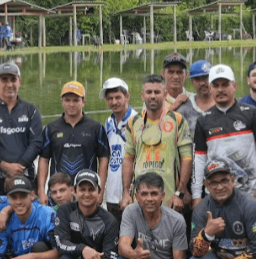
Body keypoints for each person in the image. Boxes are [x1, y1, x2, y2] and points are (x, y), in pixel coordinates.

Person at [190, 64, 256, 206]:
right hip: (216, 196)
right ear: (210, 88)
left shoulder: (252, 113)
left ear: (234, 86)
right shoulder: (203, 120)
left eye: (225, 84)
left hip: (251, 194)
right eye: (216, 85)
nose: (220, 89)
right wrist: (197, 195)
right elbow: (199, 161)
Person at [123, 74, 194, 213]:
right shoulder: (133, 122)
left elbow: (186, 158)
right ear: (142, 95)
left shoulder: (177, 120)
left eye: (157, 92)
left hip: (169, 197)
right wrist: (126, 192)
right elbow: (128, 158)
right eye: (149, 92)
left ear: (165, 94)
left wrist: (180, 192)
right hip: (141, 197)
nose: (153, 96)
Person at [37, 81, 109, 206]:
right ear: (62, 101)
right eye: (67, 100)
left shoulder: (96, 127)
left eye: (76, 100)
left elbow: (104, 159)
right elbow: (43, 159)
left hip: (86, 192)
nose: (71, 104)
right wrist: (41, 191)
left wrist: (100, 191)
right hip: (58, 194)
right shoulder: (51, 128)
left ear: (83, 101)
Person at [0, 62, 42, 195]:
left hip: (26, 177)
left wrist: (17, 169)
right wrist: (2, 165)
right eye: (4, 80)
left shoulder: (31, 110)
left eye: (13, 79)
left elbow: (36, 143)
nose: (9, 84)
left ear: (19, 82)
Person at [101, 78, 135, 214]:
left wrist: (129, 191)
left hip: (131, 195)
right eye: (110, 98)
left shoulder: (137, 120)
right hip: (111, 193)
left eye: (118, 97)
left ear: (127, 96)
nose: (114, 102)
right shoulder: (108, 122)